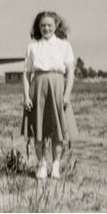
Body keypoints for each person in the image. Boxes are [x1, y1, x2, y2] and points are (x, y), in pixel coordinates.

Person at [21, 11, 78, 180]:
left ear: (56, 26)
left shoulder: (64, 45)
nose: (46, 28)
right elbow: (26, 73)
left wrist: (67, 94)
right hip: (37, 88)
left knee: (58, 130)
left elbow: (71, 72)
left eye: (49, 25)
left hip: (58, 87)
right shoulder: (32, 46)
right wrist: (26, 96)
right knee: (38, 130)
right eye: (42, 25)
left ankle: (55, 166)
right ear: (38, 27)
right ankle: (41, 165)